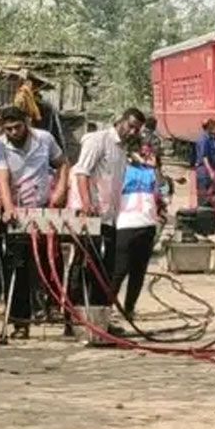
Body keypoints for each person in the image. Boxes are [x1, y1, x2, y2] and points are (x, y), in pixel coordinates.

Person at [0, 106, 70, 337]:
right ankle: (19, 322)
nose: (13, 132)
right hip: (17, 212)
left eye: (17, 127)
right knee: (17, 266)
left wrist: (60, 190)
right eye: (9, 129)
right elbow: (2, 179)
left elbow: (62, 163)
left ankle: (55, 309)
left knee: (51, 261)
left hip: (44, 209)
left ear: (26, 122)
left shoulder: (44, 139)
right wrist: (9, 208)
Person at [67, 108, 146, 322]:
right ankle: (75, 317)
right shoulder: (98, 140)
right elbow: (82, 172)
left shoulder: (121, 150)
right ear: (119, 121)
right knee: (85, 267)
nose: (132, 132)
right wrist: (86, 203)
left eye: (136, 130)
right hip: (91, 217)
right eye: (130, 126)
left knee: (105, 272)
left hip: (109, 219)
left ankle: (100, 321)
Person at [108, 148, 162, 321]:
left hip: (145, 224)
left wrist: (154, 167)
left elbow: (160, 192)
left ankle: (128, 309)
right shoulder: (121, 169)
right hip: (125, 224)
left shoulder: (151, 172)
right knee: (120, 270)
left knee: (136, 272)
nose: (145, 156)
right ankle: (105, 309)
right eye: (142, 152)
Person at [194, 118, 215, 207]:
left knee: (210, 195)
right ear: (210, 126)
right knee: (203, 196)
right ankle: (203, 215)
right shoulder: (203, 139)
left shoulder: (210, 138)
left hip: (207, 170)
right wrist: (211, 172)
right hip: (204, 171)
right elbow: (204, 157)